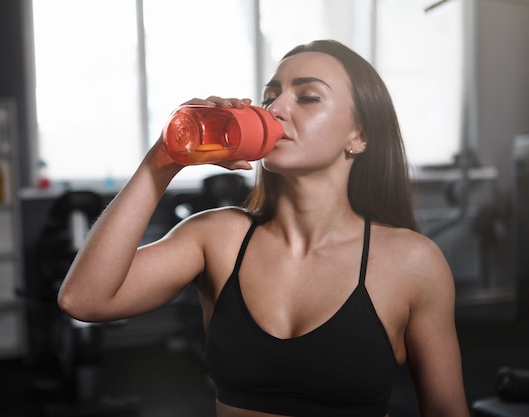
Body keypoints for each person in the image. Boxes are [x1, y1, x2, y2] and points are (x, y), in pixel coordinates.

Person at [58, 40, 470, 417]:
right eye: (271, 97)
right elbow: (84, 299)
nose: (275, 110)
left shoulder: (411, 262)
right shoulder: (217, 238)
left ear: (358, 136)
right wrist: (163, 159)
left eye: (307, 97)